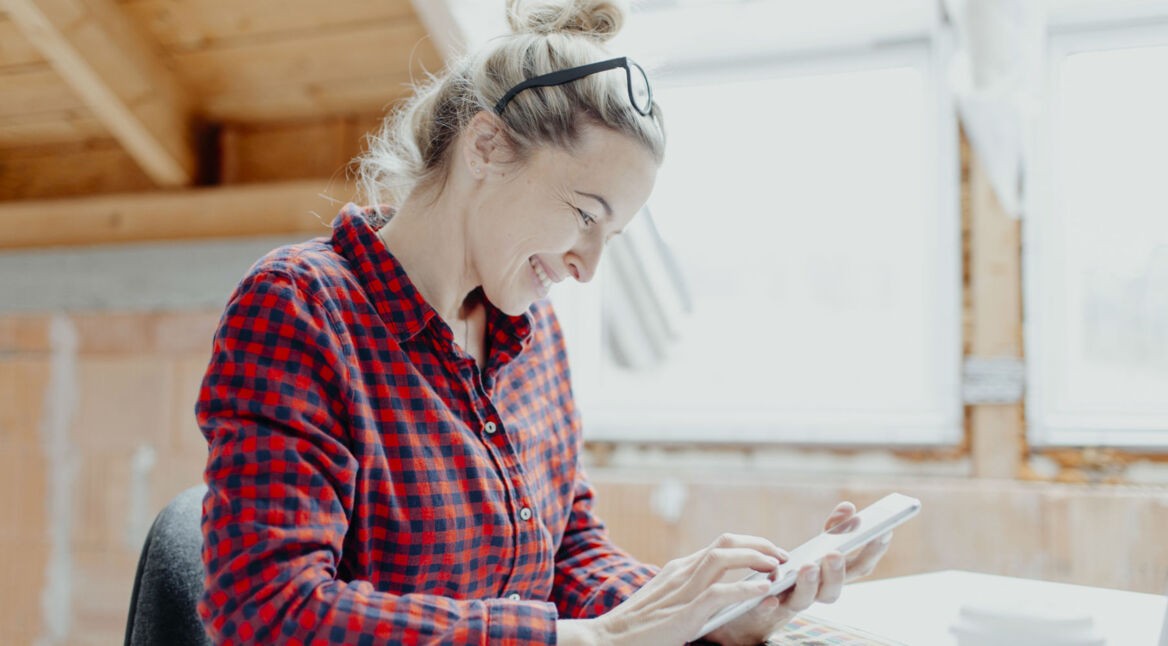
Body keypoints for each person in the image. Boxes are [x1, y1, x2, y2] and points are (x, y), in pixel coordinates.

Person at [195, 1, 890, 644]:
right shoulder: (302, 306)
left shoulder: (529, 331)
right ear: (487, 147)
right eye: (585, 216)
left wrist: (716, 613)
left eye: (608, 237)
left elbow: (567, 556)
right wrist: (577, 640)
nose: (585, 266)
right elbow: (267, 611)